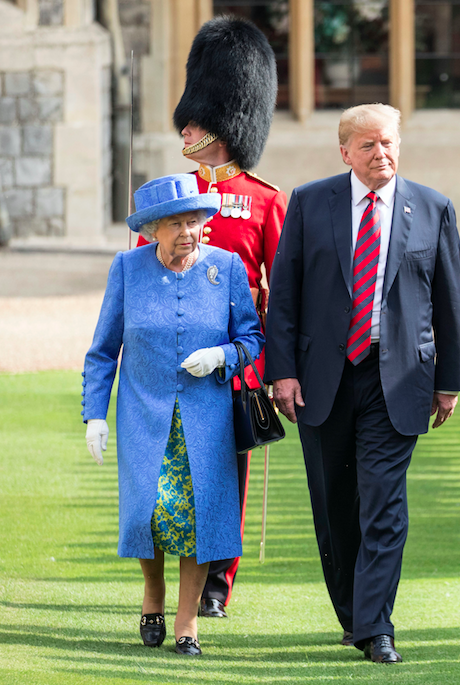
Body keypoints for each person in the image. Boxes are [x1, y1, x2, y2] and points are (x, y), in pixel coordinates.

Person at [265, 103, 460, 664]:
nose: (382, 155)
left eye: (390, 143)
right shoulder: (309, 202)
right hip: (323, 378)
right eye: (370, 146)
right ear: (345, 151)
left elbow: (449, 303)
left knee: (383, 501)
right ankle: (354, 613)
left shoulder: (433, 208)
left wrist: (448, 382)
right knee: (335, 505)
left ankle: (377, 625)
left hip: (397, 378)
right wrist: (281, 372)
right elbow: (285, 296)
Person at [133, 16, 287, 619]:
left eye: (197, 121)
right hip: (173, 354)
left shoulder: (266, 200)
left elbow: (282, 292)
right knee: (170, 471)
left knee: (228, 479)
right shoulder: (171, 195)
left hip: (234, 362)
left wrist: (274, 366)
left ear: (224, 124)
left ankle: (219, 580)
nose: (186, 129)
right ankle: (163, 584)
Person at [82, 173, 264, 655]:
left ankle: (187, 623)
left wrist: (221, 357)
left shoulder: (226, 267)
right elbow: (103, 351)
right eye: (176, 223)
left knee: (197, 518)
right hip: (144, 416)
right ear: (153, 230)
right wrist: (94, 415)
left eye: (195, 221)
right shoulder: (127, 268)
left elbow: (251, 339)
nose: (189, 231)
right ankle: (153, 594)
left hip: (206, 421)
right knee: (151, 514)